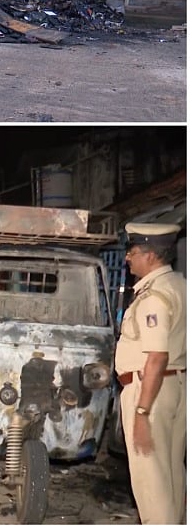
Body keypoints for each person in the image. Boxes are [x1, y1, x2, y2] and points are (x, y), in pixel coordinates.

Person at [115, 223, 186, 524]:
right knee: (170, 474)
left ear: (152, 255)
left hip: (150, 391)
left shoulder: (153, 298)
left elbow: (156, 357)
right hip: (176, 385)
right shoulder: (180, 285)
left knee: (151, 484)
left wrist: (142, 412)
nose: (128, 258)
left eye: (132, 252)